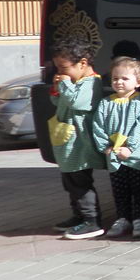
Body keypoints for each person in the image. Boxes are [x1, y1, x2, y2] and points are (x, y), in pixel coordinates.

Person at [49, 38, 106, 240]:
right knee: (70, 181)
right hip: (67, 143)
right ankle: (78, 216)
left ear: (82, 63)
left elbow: (76, 101)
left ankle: (92, 221)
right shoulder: (72, 82)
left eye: (64, 68)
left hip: (80, 144)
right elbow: (59, 101)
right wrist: (57, 89)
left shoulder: (92, 82)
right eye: (58, 68)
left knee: (80, 182)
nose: (61, 72)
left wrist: (64, 84)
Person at [92, 57, 140, 238]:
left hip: (136, 156)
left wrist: (131, 147)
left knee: (139, 189)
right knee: (120, 190)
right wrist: (105, 147)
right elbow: (98, 126)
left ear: (139, 82)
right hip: (114, 156)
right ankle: (122, 218)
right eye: (115, 78)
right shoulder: (106, 103)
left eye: (124, 78)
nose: (119, 82)